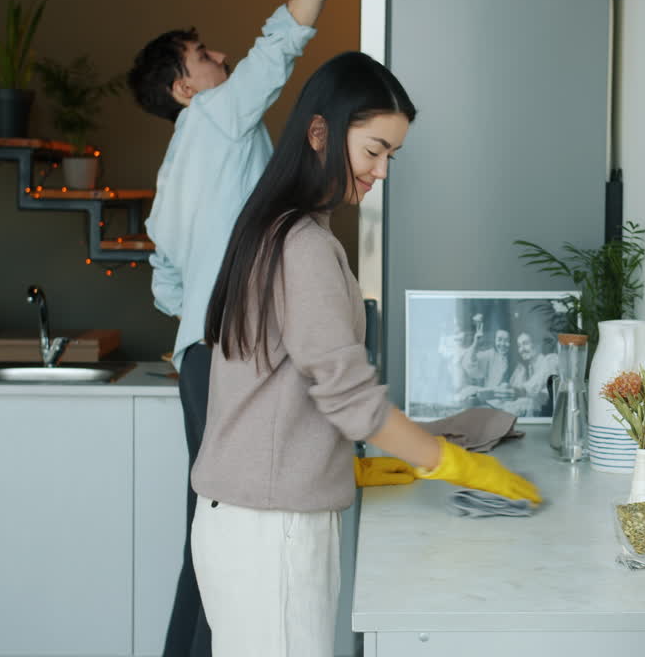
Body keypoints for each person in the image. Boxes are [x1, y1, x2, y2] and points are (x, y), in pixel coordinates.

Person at [192, 51, 541, 656]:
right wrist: (460, 466)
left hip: (257, 518)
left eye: (391, 156)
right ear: (321, 132)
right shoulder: (301, 244)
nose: (383, 171)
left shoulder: (282, 228)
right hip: (271, 530)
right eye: (374, 150)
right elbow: (351, 398)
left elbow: (294, 391)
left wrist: (351, 463)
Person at [125, 0, 351, 654]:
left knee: (210, 533)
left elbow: (167, 287)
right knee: (228, 530)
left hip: (201, 358)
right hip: (229, 361)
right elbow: (284, 37)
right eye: (203, 57)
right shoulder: (217, 118)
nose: (220, 57)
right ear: (186, 90)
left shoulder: (172, 178)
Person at [490, 330, 559, 417]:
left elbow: (536, 385)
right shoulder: (528, 370)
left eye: (525, 343)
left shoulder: (551, 360)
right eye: (519, 346)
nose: (521, 349)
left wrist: (519, 391)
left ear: (537, 344)